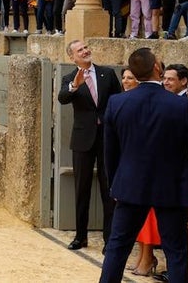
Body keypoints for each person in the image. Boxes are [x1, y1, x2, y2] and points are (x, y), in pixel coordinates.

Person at [99, 48, 188, 283]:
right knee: (177, 253)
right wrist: (183, 179)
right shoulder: (180, 105)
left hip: (129, 185)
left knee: (117, 249)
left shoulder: (117, 103)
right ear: (157, 68)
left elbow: (110, 152)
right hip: (170, 187)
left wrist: (116, 183)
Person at [57, 39, 122, 251]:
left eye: (86, 48)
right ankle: (80, 237)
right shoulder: (69, 78)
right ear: (72, 57)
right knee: (82, 189)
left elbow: (118, 102)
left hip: (107, 139)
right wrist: (75, 85)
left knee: (108, 189)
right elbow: (63, 98)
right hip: (83, 140)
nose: (85, 51)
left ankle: (108, 239)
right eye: (80, 50)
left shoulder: (107, 73)